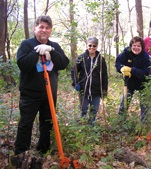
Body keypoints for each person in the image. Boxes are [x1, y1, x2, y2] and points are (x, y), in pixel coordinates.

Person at [14, 15, 69, 156]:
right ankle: (21, 153)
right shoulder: (26, 45)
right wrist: (36, 52)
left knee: (47, 123)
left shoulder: (54, 46)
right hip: (29, 94)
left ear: (50, 30)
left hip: (49, 93)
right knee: (26, 124)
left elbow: (64, 63)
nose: (44, 30)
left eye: (47, 28)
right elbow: (23, 64)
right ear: (35, 29)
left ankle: (43, 150)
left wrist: (52, 51)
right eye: (41, 27)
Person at [71, 37, 108, 126]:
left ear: (97, 46)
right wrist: (76, 83)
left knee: (94, 109)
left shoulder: (101, 59)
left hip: (96, 90)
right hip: (84, 89)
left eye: (94, 46)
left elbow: (104, 75)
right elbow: (74, 70)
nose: (92, 47)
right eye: (90, 45)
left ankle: (91, 125)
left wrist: (104, 90)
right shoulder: (81, 58)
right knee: (83, 109)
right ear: (87, 45)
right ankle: (83, 127)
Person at [115, 36, 151, 123]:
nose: (136, 48)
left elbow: (146, 73)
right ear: (131, 46)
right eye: (134, 45)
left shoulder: (145, 56)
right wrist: (121, 68)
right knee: (124, 103)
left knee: (144, 105)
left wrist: (132, 70)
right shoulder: (126, 52)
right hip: (129, 82)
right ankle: (120, 123)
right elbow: (118, 62)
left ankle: (144, 125)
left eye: (139, 46)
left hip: (143, 83)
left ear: (142, 47)